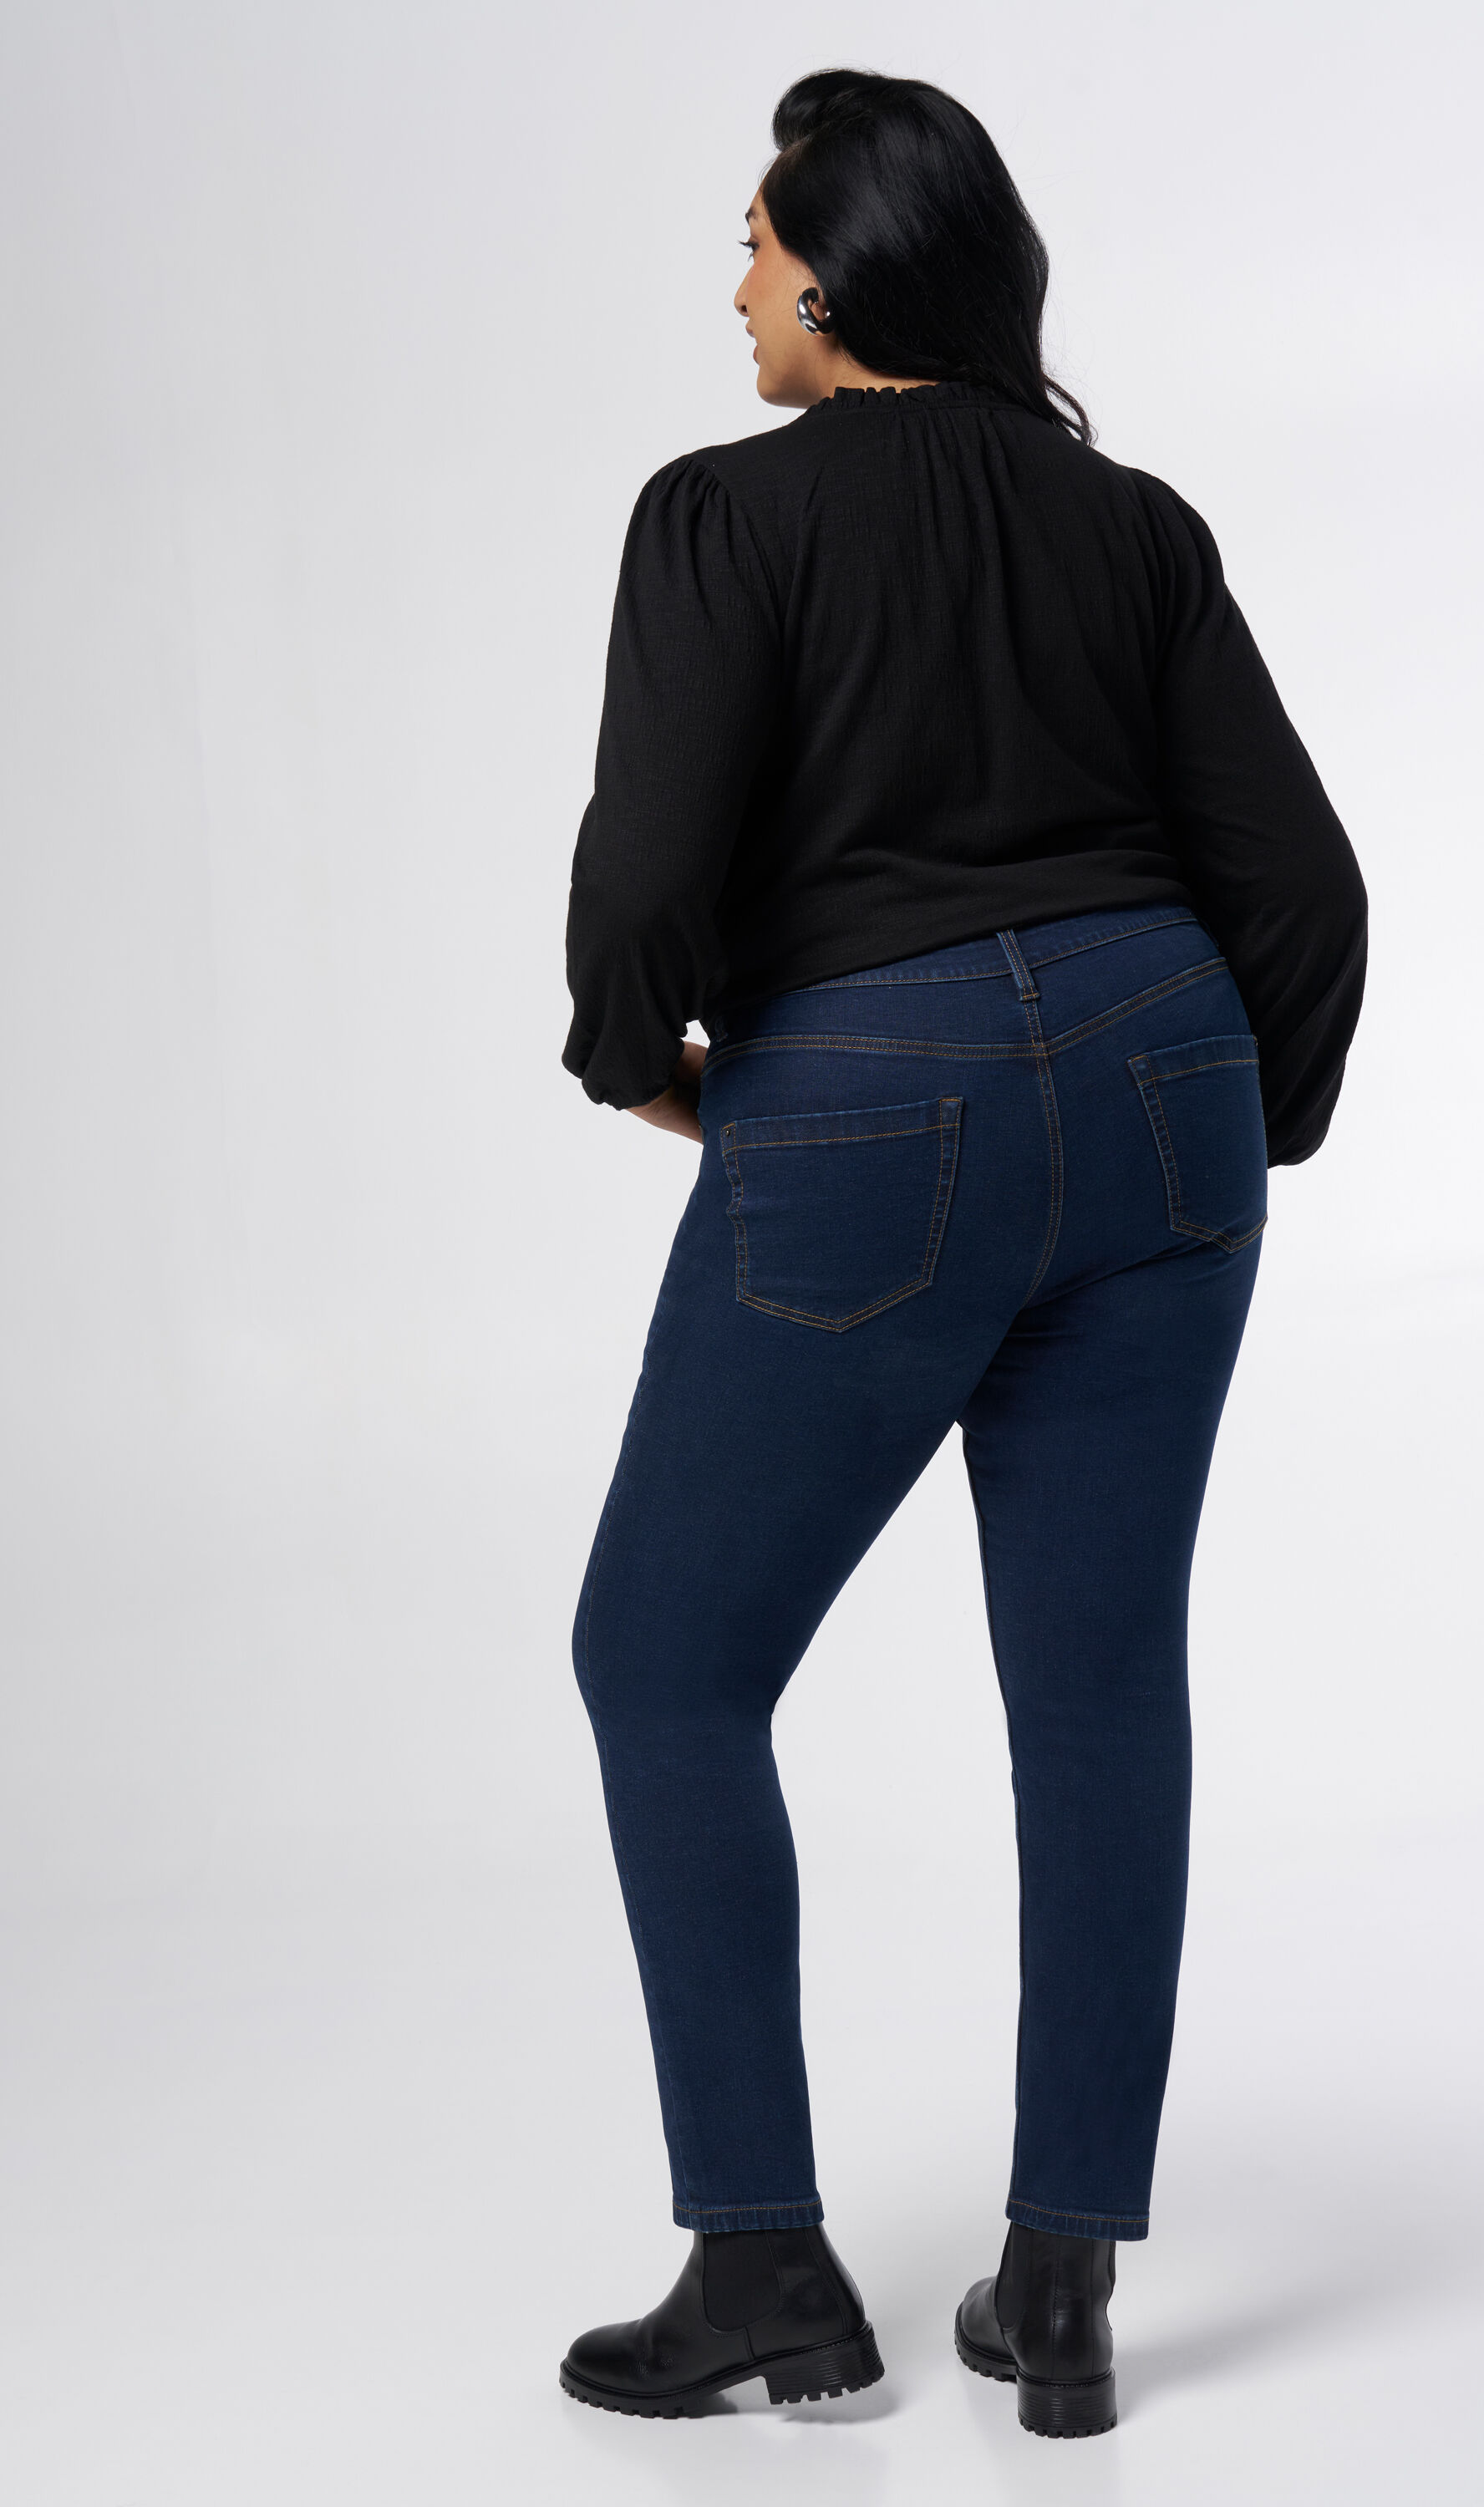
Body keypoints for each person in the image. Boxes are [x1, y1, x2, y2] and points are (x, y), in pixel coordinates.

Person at [556, 69, 1366, 2437]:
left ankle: (761, 2265)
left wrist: (635, 1057)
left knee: (666, 1662)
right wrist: (1228, 1134)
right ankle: (1065, 2282)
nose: (733, 284)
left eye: (752, 242)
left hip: (866, 1089)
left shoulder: (725, 514)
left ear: (837, 277)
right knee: (1101, 1685)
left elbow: (647, 866)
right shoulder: (1133, 525)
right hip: (1165, 1074)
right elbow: (1307, 883)